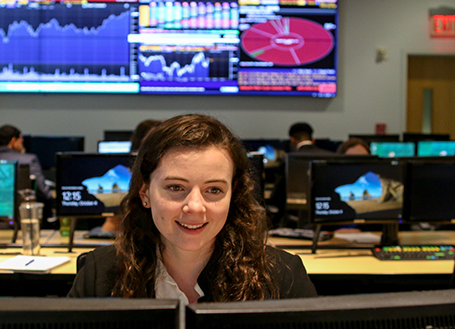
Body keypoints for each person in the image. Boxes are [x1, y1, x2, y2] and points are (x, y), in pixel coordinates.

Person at [69, 114, 317, 302]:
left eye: (214, 190)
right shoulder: (98, 275)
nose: (195, 207)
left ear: (234, 194)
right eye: (176, 187)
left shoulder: (284, 277)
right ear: (145, 193)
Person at [0, 124, 54, 217]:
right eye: (21, 142)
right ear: (13, 141)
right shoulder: (29, 159)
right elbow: (44, 193)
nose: (22, 146)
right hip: (22, 217)